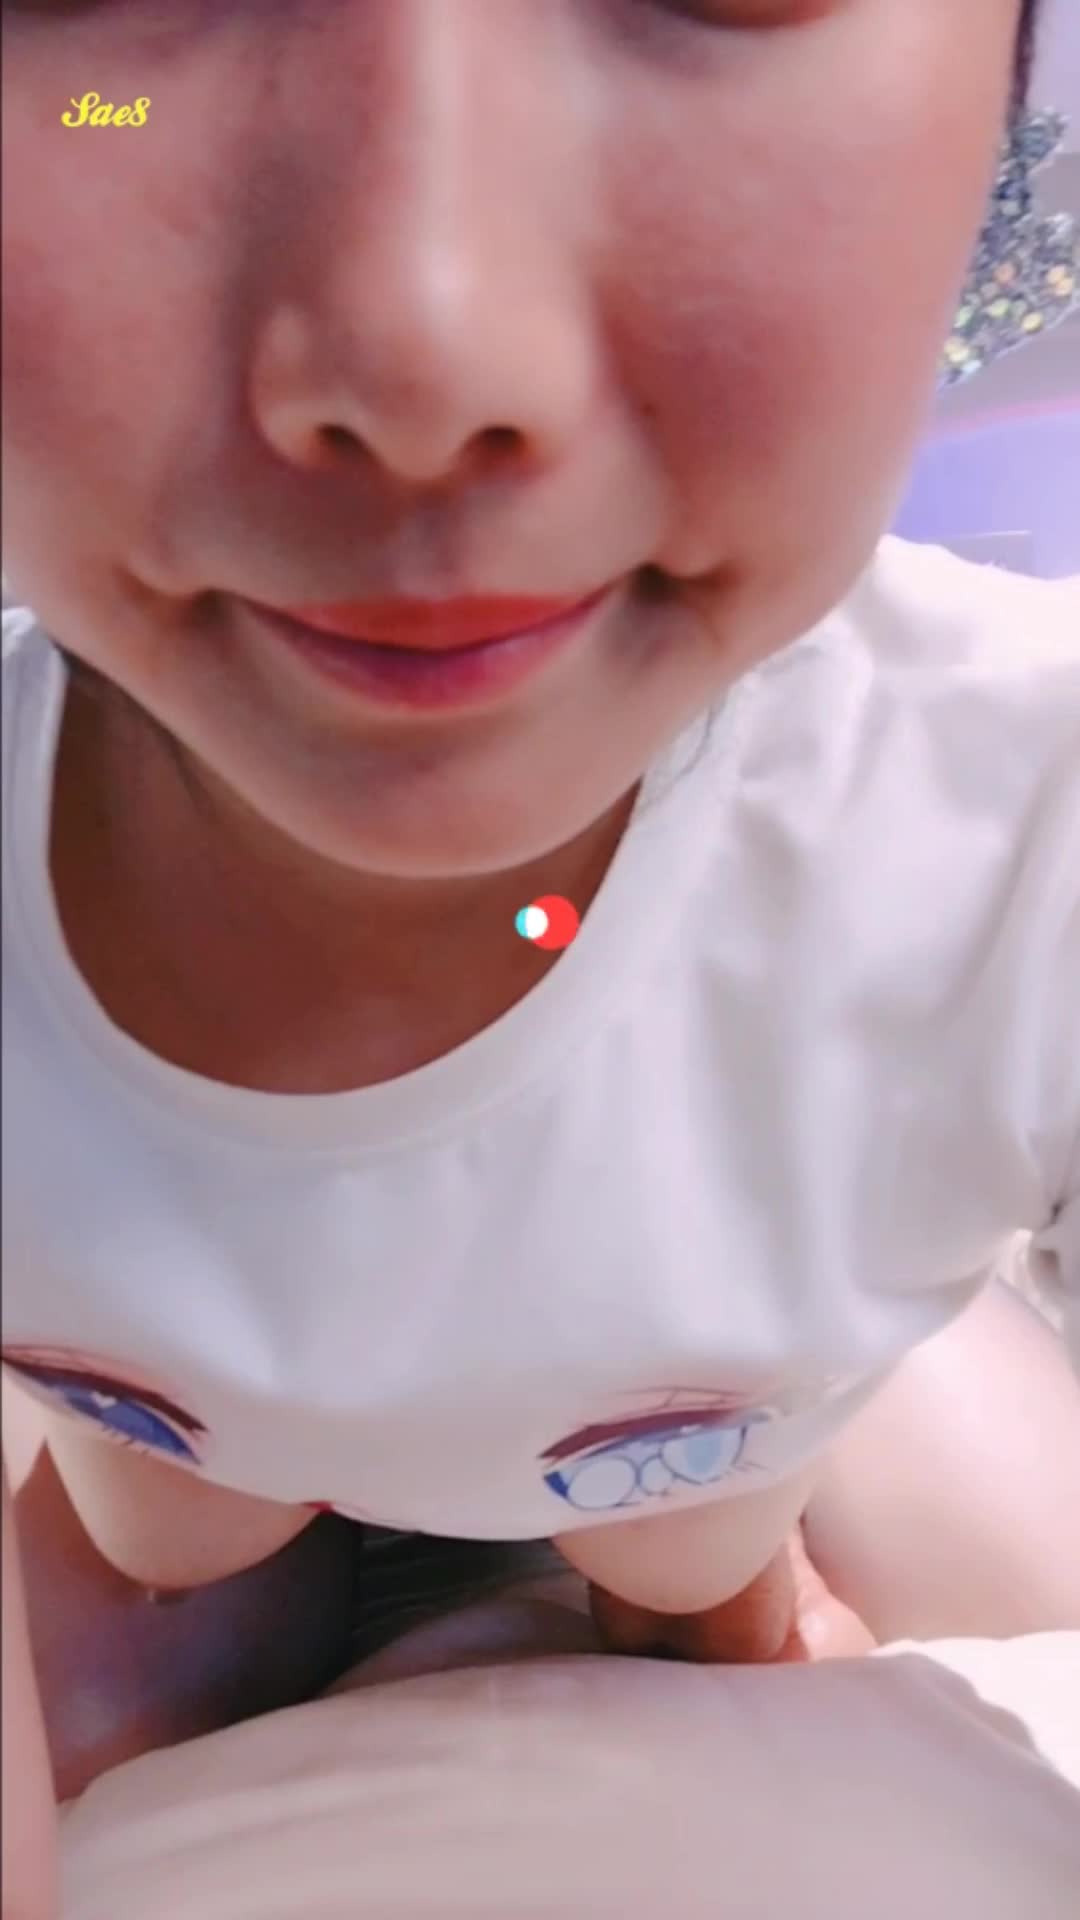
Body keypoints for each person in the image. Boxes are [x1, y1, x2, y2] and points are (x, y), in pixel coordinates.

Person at [2, 1, 1078, 1912]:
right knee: (176, 1539)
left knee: (689, 1566)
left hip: (675, 1443)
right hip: (231, 1424)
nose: (427, 353)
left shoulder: (1021, 828)